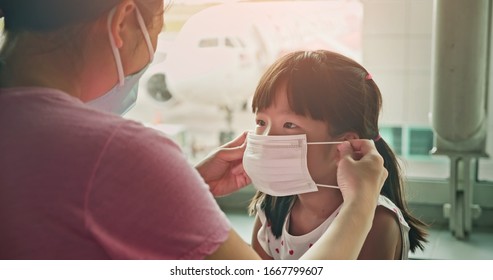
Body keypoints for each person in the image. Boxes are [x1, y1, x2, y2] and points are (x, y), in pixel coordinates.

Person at [0, 0, 387, 260]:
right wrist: (359, 204)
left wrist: (182, 188)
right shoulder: (116, 153)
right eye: (155, 29)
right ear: (122, 23)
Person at [245, 50, 428, 260]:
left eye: (289, 125)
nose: (268, 138)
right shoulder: (271, 210)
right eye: (261, 122)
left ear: (344, 144)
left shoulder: (377, 222)